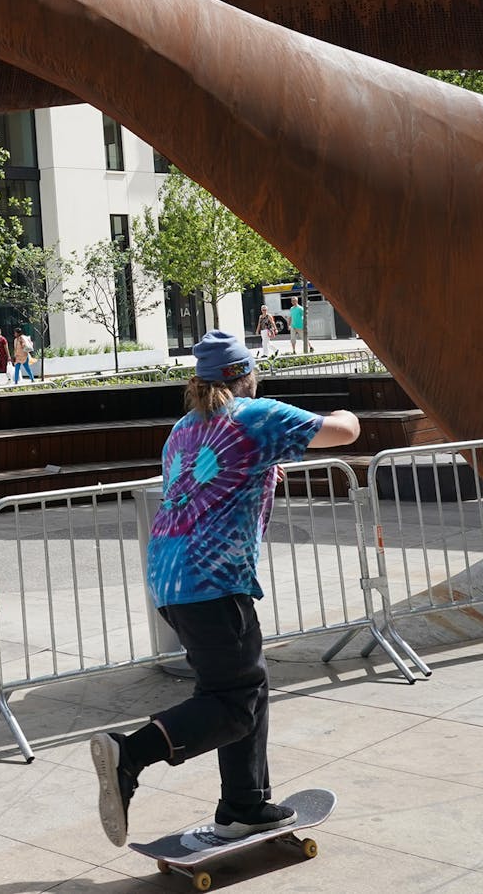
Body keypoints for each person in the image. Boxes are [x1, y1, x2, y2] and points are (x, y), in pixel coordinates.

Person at [88, 330, 360, 847]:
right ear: (246, 374)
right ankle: (132, 754)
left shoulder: (183, 430)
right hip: (213, 582)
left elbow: (210, 483)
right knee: (234, 704)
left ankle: (245, 805)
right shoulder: (255, 415)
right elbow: (345, 431)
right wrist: (332, 416)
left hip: (170, 581)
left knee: (245, 688)